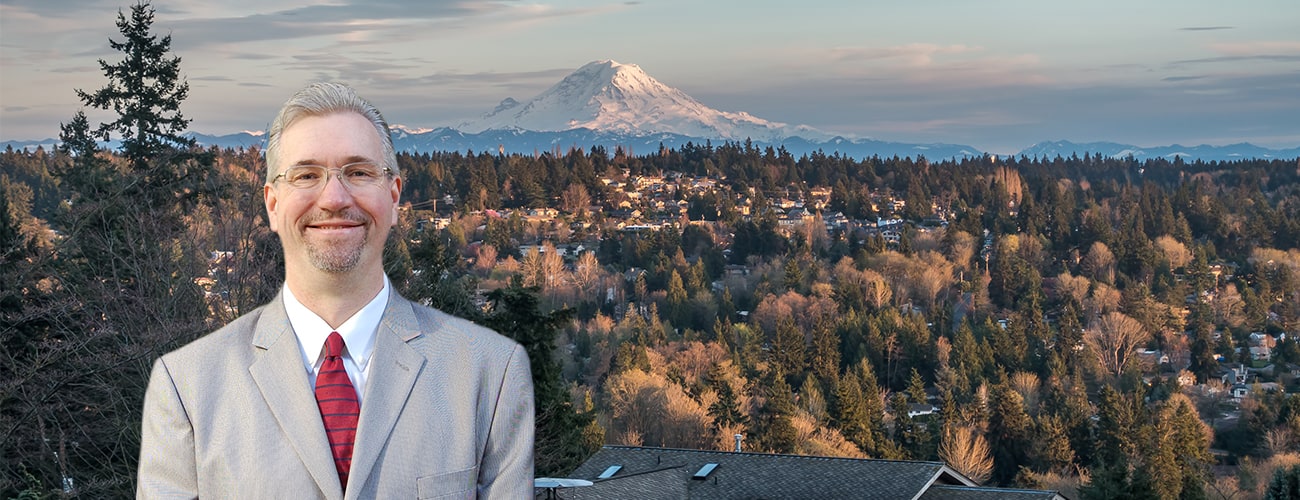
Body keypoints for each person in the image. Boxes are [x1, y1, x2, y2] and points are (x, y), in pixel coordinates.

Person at [137, 82, 534, 499]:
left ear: (395, 197)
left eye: (359, 172)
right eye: (306, 175)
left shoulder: (491, 372)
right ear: (272, 204)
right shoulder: (187, 386)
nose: (333, 197)